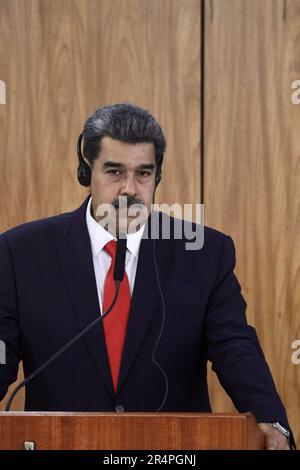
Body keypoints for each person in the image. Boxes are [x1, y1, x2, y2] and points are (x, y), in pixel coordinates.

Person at [0, 103, 295, 449]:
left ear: (157, 176)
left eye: (143, 173)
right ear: (86, 172)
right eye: (114, 172)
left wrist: (272, 421)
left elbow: (235, 347)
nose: (129, 189)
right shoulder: (21, 252)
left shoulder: (203, 253)